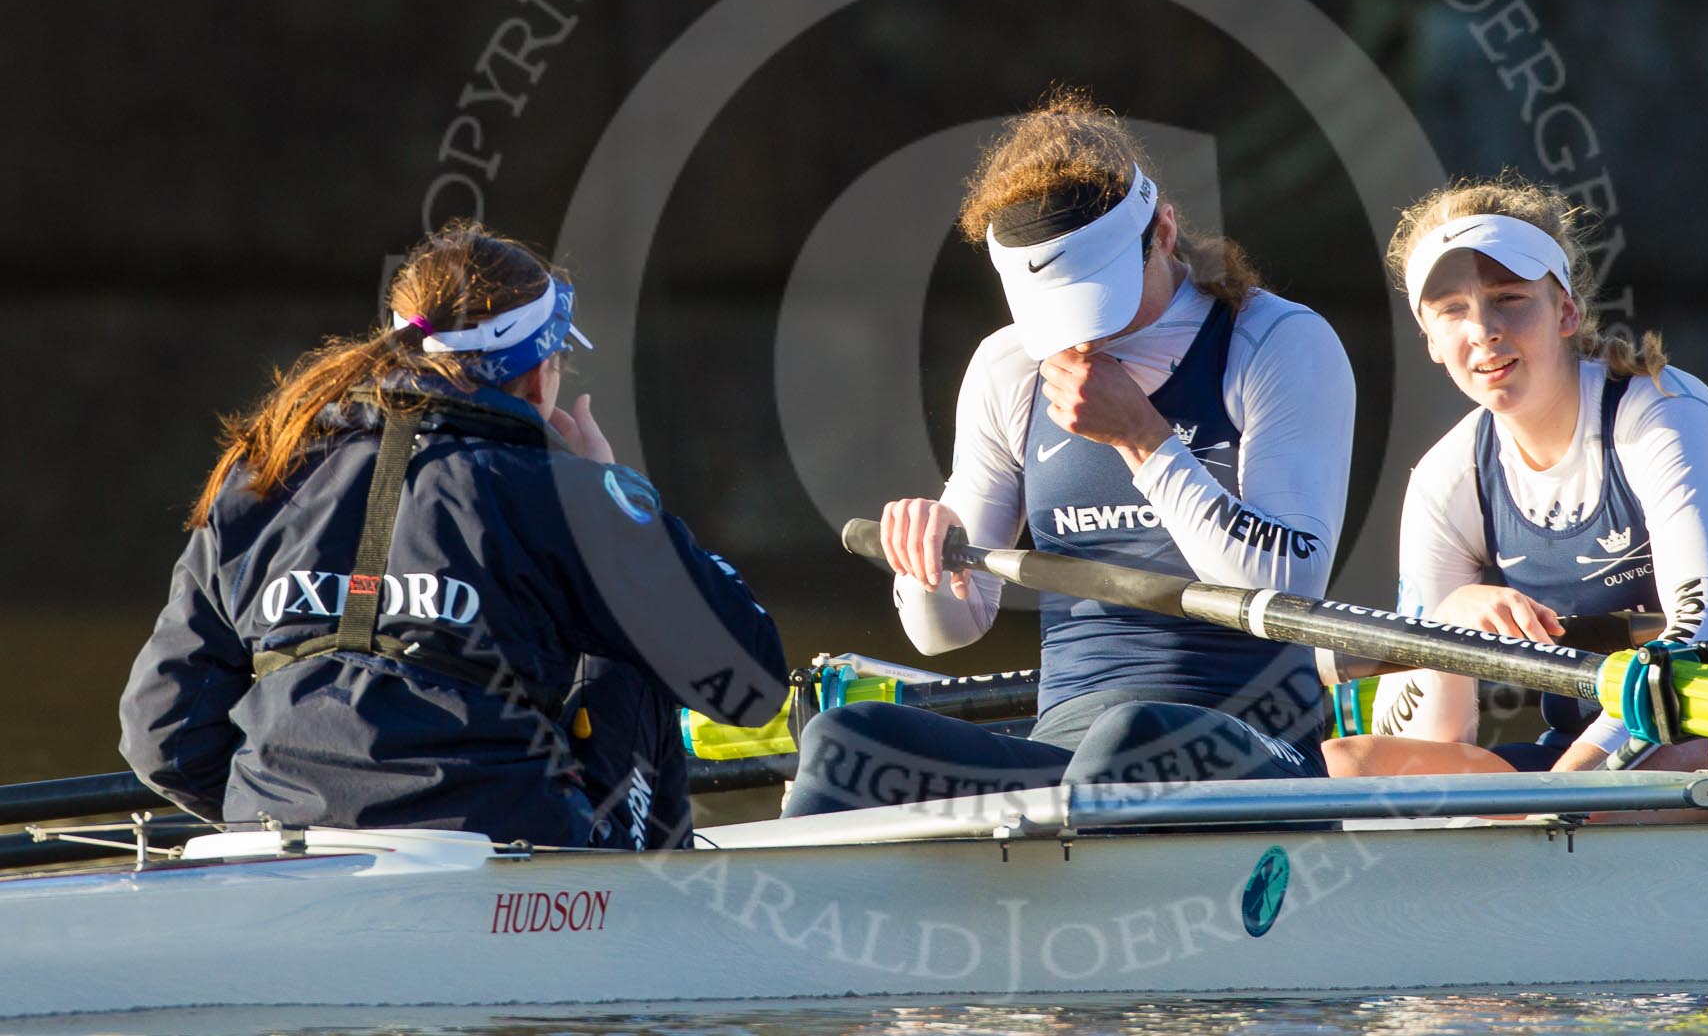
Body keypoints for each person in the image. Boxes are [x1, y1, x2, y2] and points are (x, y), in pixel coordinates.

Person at [120, 222, 788, 848]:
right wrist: (622, 508)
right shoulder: (564, 495)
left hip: (279, 852)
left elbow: (163, 738)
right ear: (535, 374)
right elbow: (749, 681)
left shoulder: (262, 474)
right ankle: (648, 922)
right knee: (630, 647)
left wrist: (288, 817)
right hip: (503, 857)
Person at [781, 91, 1356, 815]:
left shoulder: (1274, 343)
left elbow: (1289, 586)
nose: (1080, 339)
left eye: (1100, 302)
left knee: (1131, 737)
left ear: (1164, 233)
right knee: (845, 742)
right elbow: (946, 635)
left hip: (1253, 744)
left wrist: (1144, 440)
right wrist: (929, 559)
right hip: (1071, 756)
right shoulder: (1008, 367)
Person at [1322, 174, 1708, 821]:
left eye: (1509, 298)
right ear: (1430, 340)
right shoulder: (1446, 478)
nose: (1483, 330)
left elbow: (1707, 638)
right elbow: (1438, 739)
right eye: (1453, 311)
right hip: (1578, 765)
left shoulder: (1663, 417)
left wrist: (1567, 788)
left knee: (1656, 768)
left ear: (1567, 311)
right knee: (1344, 765)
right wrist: (1448, 627)